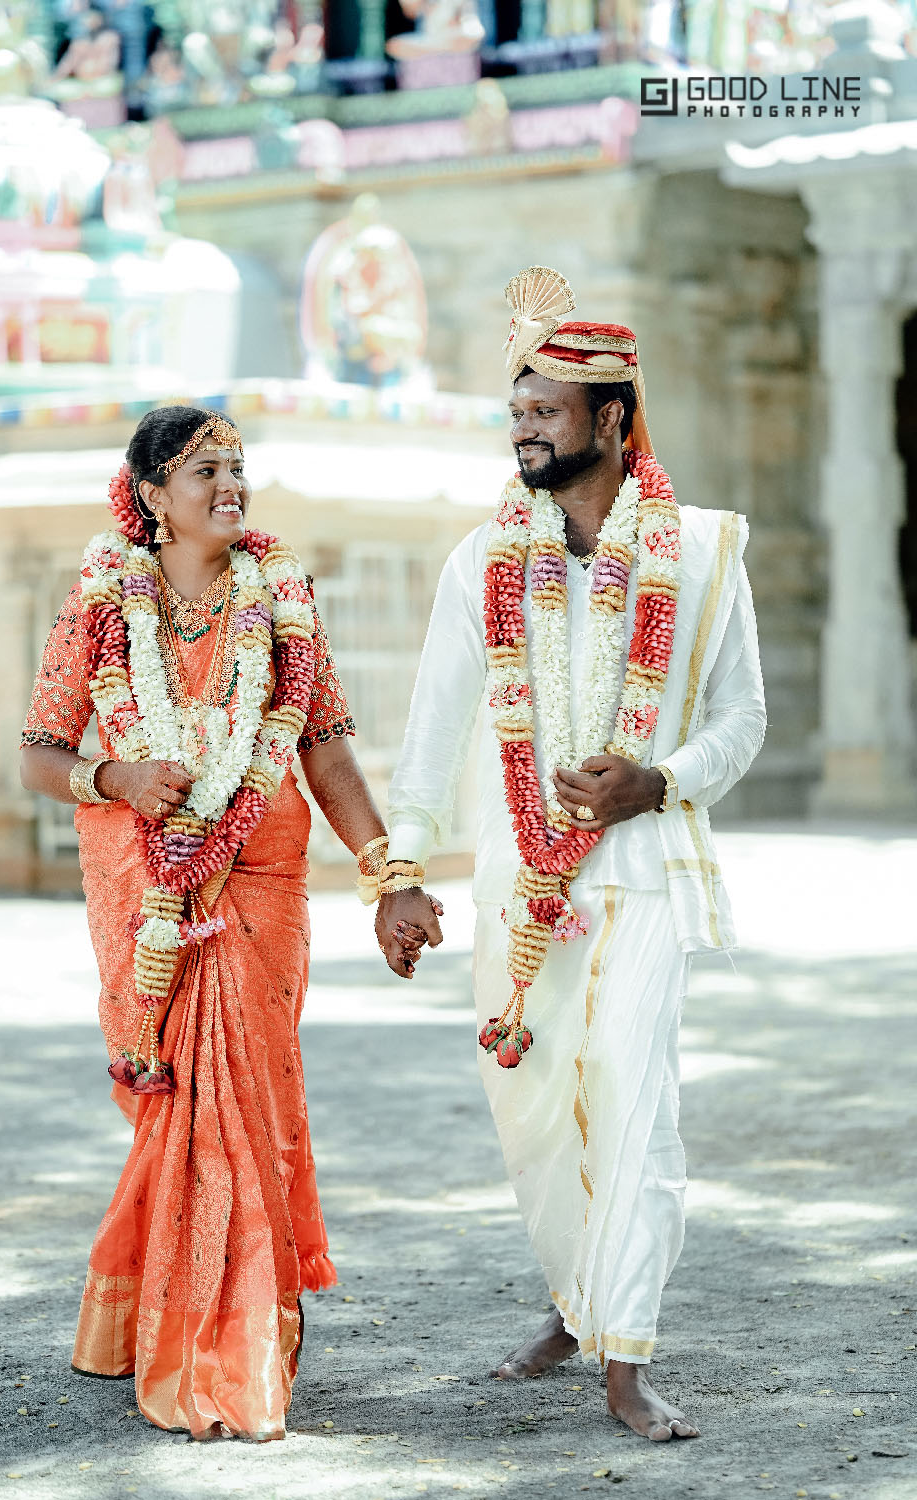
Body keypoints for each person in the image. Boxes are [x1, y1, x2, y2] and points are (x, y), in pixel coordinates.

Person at [375, 267, 767, 1441]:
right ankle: (573, 1299)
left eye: (545, 411)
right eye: (515, 412)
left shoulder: (701, 552)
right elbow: (434, 731)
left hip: (641, 874)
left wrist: (661, 782)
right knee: (534, 1108)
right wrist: (401, 870)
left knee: (633, 1102)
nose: (524, 430)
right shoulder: (478, 562)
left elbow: (740, 720)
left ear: (611, 417)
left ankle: (625, 1356)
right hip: (517, 882)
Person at [20, 404, 429, 1440]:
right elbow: (37, 755)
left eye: (239, 467)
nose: (231, 484)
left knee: (245, 1105)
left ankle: (237, 1339)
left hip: (261, 880)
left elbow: (326, 749)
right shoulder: (99, 605)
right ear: (152, 496)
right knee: (173, 1100)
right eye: (206, 469)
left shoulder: (284, 598)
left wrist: (389, 875)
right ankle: (163, 1313)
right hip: (144, 879)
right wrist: (113, 772)